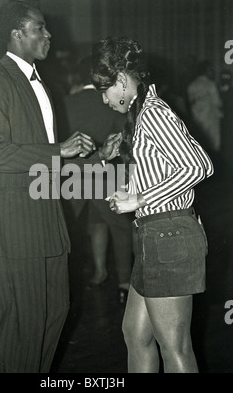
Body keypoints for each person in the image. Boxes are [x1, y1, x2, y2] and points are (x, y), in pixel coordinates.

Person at [0, 1, 120, 373]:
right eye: (40, 28)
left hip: (48, 220)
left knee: (55, 313)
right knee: (25, 326)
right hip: (18, 224)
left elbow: (49, 163)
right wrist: (58, 149)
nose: (48, 34)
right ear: (17, 34)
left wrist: (98, 159)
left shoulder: (41, 85)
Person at [91, 36, 214, 373]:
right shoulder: (141, 116)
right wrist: (126, 187)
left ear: (120, 80)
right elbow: (159, 173)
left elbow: (199, 166)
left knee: (174, 347)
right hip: (153, 236)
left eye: (104, 90)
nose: (104, 99)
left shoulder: (155, 114)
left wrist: (140, 198)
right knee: (135, 333)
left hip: (169, 236)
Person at [63, 56, 133, 304]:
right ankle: (124, 283)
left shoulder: (65, 103)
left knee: (84, 225)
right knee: (118, 225)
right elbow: (124, 141)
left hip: (72, 176)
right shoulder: (112, 102)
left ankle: (99, 272)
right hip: (106, 174)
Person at [187, 60, 223, 170]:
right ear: (206, 70)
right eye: (211, 70)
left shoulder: (192, 84)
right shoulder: (210, 84)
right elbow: (217, 102)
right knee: (213, 140)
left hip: (197, 116)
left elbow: (190, 100)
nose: (212, 72)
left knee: (199, 140)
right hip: (210, 116)